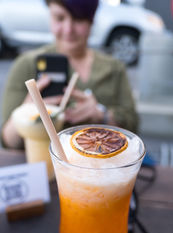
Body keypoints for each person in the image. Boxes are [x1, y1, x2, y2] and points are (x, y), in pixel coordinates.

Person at [1, 0, 138, 149]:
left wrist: (101, 114)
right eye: (59, 18)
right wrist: (27, 112)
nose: (68, 30)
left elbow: (133, 129)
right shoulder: (27, 64)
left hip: (101, 167)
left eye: (78, 19)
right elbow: (8, 142)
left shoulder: (114, 68)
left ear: (91, 21)